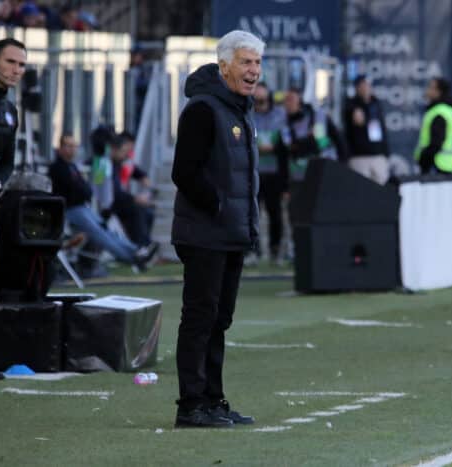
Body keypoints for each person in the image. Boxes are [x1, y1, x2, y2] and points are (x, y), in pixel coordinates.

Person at [171, 30, 261, 429]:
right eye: (245, 62)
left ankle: (213, 400)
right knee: (200, 317)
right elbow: (184, 172)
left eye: (257, 63)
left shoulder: (240, 109)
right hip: (205, 233)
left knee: (219, 319)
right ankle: (191, 405)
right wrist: (218, 205)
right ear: (224, 66)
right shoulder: (203, 110)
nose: (253, 70)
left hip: (230, 233)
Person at [48, 133, 158, 270]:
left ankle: (137, 251)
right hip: (74, 209)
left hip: (86, 206)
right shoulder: (94, 163)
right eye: (68, 146)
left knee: (108, 230)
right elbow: (89, 189)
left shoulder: (83, 165)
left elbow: (87, 189)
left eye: (74, 146)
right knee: (100, 232)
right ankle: (134, 257)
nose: (72, 149)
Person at [0, 38, 25, 291]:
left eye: (21, 65)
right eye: (10, 62)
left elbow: (8, 163)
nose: (16, 70)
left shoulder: (11, 112)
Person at [280, 87, 347, 182]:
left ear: (300, 101)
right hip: (299, 173)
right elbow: (290, 147)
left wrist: (343, 163)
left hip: (324, 168)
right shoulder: (283, 123)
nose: (287, 103)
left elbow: (333, 140)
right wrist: (310, 140)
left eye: (291, 99)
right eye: (285, 100)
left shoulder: (318, 116)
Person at [253, 82, 288, 263]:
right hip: (255, 171)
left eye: (263, 99)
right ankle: (254, 250)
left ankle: (275, 250)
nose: (260, 103)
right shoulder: (249, 115)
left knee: (275, 213)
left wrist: (275, 147)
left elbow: (287, 139)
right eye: (257, 99)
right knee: (254, 213)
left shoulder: (279, 115)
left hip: (274, 171)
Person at [414, 77, 452, 174]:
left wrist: (423, 161)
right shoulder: (450, 111)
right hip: (449, 165)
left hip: (436, 166)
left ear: (438, 92)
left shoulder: (438, 113)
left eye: (431, 87)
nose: (428, 90)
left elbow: (436, 143)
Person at [109, 132, 155, 248]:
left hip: (121, 199)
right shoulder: (109, 165)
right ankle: (140, 247)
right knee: (137, 210)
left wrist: (143, 177)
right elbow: (115, 192)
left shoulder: (121, 162)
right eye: (124, 151)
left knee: (148, 212)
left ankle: (144, 244)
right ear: (114, 150)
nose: (126, 154)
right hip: (112, 203)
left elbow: (135, 171)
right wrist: (135, 198)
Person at [342, 75, 390, 184]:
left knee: (381, 187)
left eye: (368, 85)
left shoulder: (376, 104)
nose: (366, 88)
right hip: (359, 156)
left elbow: (382, 130)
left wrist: (386, 153)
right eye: (363, 85)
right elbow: (354, 119)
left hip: (378, 155)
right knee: (361, 188)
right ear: (357, 88)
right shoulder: (352, 104)